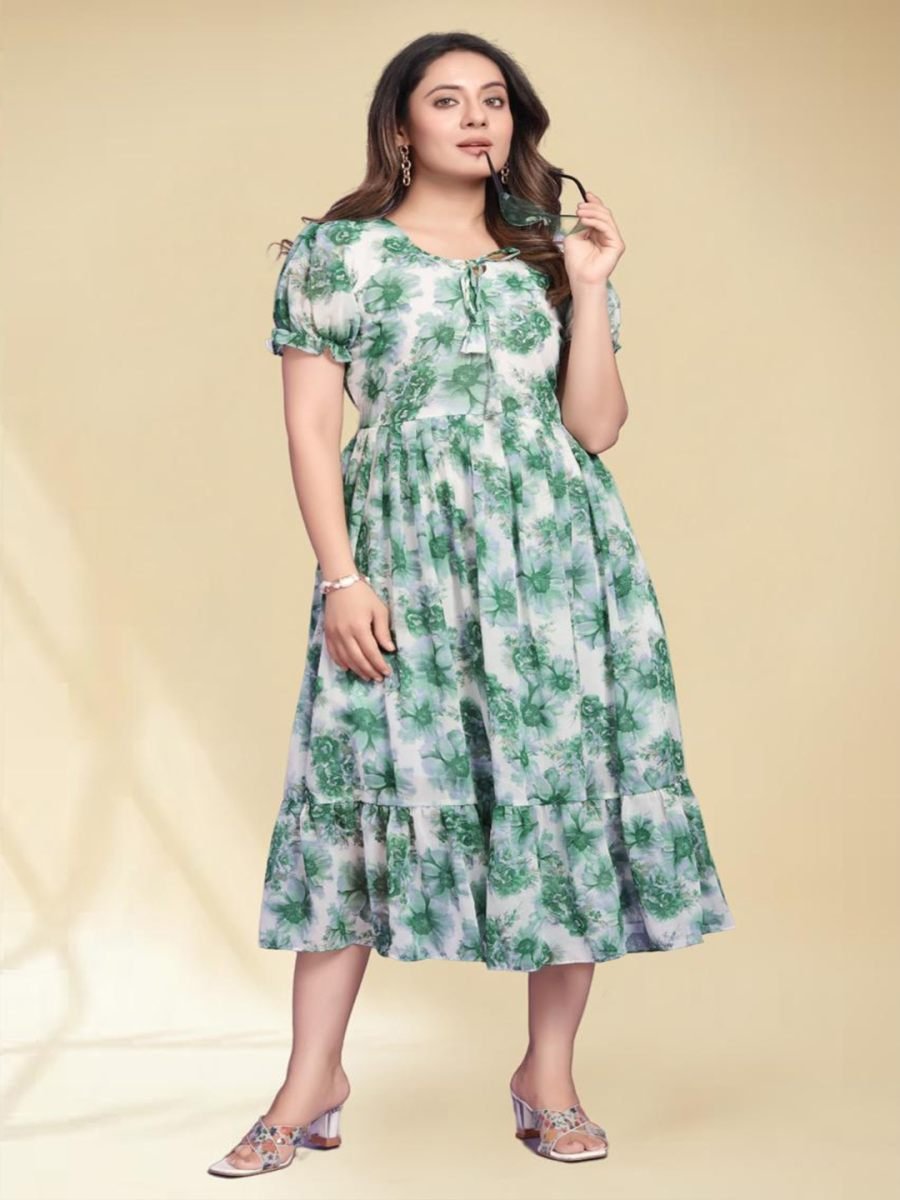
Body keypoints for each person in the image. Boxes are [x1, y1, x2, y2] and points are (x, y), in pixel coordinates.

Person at [208, 30, 735, 1178]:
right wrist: (342, 577)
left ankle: (549, 1076)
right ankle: (310, 1081)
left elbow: (596, 426)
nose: (476, 117)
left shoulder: (550, 250)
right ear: (402, 125)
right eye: (446, 100)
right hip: (402, 559)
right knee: (353, 797)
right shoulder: (338, 254)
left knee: (561, 800)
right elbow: (310, 428)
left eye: (493, 99)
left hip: (559, 564)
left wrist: (590, 284)